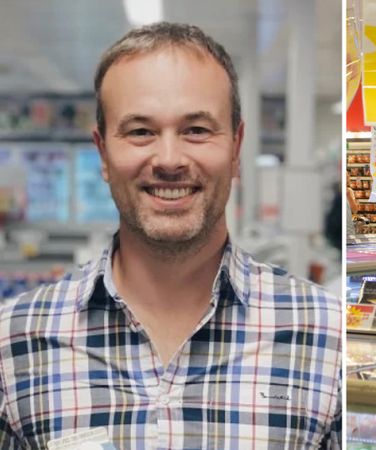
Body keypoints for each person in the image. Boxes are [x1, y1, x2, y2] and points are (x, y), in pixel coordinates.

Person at [0, 23, 341, 449]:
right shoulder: (15, 343)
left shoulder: (328, 337)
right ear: (103, 153)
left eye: (196, 129)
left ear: (236, 148)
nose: (169, 160)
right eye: (140, 131)